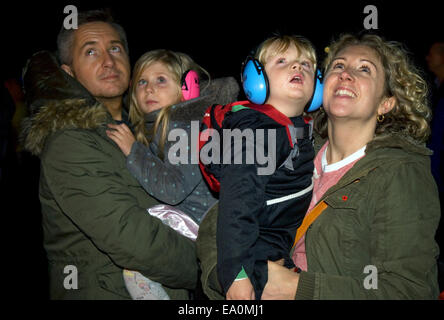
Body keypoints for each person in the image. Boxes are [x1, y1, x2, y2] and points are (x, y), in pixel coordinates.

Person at [20, 9, 198, 299]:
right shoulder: (70, 142)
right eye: (90, 52)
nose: (108, 61)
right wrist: (218, 267)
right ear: (69, 73)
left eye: (115, 48)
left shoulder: (145, 132)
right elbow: (134, 241)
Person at [261, 33, 441, 300]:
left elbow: (409, 291)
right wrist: (236, 274)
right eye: (338, 65)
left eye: (364, 69)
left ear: (386, 102)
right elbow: (218, 224)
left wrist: (298, 289)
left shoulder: (400, 173)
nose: (346, 74)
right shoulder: (285, 147)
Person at [105, 49, 239, 299]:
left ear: (186, 89)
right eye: (142, 82)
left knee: (137, 260)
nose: (149, 89)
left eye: (161, 80)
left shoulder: (185, 128)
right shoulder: (168, 125)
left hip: (210, 228)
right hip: (204, 227)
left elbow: (172, 189)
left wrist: (132, 150)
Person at [197, 35, 318, 300]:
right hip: (253, 258)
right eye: (283, 61)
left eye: (306, 64)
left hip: (273, 252)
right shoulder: (258, 131)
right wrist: (236, 275)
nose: (298, 68)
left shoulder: (296, 128)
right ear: (257, 79)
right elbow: (238, 204)